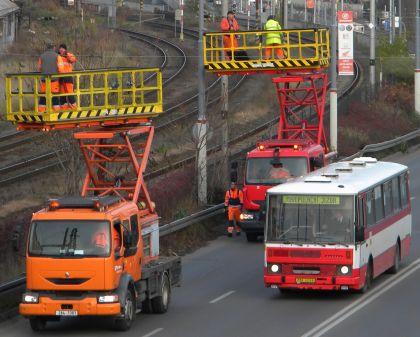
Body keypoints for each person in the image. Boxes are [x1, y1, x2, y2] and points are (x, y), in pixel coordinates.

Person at [37, 40, 65, 112]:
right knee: (55, 98)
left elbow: (39, 69)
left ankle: (41, 112)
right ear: (54, 48)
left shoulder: (41, 56)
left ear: (46, 47)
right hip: (54, 81)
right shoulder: (57, 56)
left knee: (43, 97)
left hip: (44, 81)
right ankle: (56, 113)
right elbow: (61, 69)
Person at [58, 43, 77, 109]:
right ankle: (64, 109)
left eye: (63, 49)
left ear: (65, 50)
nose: (61, 50)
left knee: (70, 93)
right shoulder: (57, 56)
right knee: (62, 95)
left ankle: (74, 108)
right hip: (61, 78)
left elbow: (73, 59)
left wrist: (67, 55)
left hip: (68, 77)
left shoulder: (69, 55)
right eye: (60, 49)